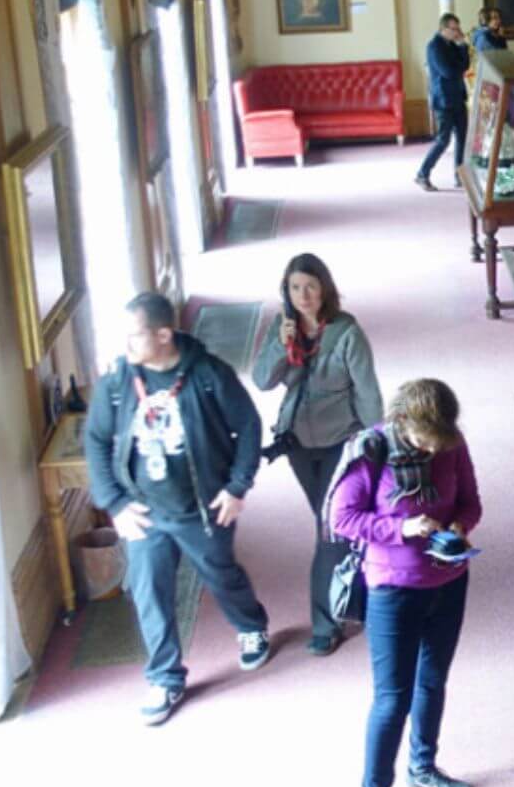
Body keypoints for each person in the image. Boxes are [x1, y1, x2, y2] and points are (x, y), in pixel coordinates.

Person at [83, 292, 270, 726]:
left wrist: (237, 487)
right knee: (148, 590)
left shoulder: (208, 374)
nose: (126, 345)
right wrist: (115, 503)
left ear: (164, 334)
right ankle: (165, 677)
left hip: (202, 508)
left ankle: (250, 625)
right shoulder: (118, 381)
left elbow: (248, 425)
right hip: (144, 511)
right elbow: (95, 439)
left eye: (135, 336)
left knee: (220, 574)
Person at [329, 379, 483, 787]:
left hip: (448, 581)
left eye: (441, 440)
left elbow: (471, 502)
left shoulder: (451, 444)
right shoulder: (371, 450)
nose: (434, 450)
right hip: (393, 589)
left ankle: (424, 767)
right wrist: (403, 528)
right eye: (425, 441)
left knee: (432, 681)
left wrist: (459, 526)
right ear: (402, 423)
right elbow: (341, 519)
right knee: (392, 700)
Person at [253, 253, 384, 656]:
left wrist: (377, 444)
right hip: (297, 444)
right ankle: (364, 589)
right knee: (335, 525)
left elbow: (367, 392)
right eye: (295, 288)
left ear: (324, 288)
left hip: (339, 442)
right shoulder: (283, 329)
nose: (303, 295)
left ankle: (326, 623)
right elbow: (262, 380)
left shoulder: (346, 333)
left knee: (329, 527)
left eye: (310, 286)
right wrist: (281, 346)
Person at [416, 13, 471, 192]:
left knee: (462, 138)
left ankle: (460, 175)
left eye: (458, 28)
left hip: (458, 96)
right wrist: (458, 68)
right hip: (443, 99)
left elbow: (465, 65)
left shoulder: (452, 45)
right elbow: (448, 72)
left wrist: (463, 46)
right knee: (443, 140)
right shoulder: (434, 46)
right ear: (443, 28)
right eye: (454, 29)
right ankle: (422, 174)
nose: (457, 32)